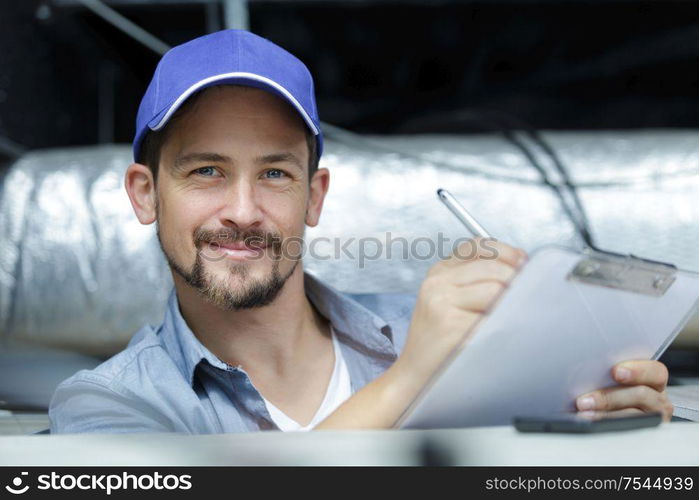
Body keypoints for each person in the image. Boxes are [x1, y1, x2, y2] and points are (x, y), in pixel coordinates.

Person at [49, 30, 673, 433]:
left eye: (274, 173)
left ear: (313, 197)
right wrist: (411, 380)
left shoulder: (451, 336)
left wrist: (612, 432)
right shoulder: (109, 407)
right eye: (206, 171)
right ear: (145, 193)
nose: (242, 210)